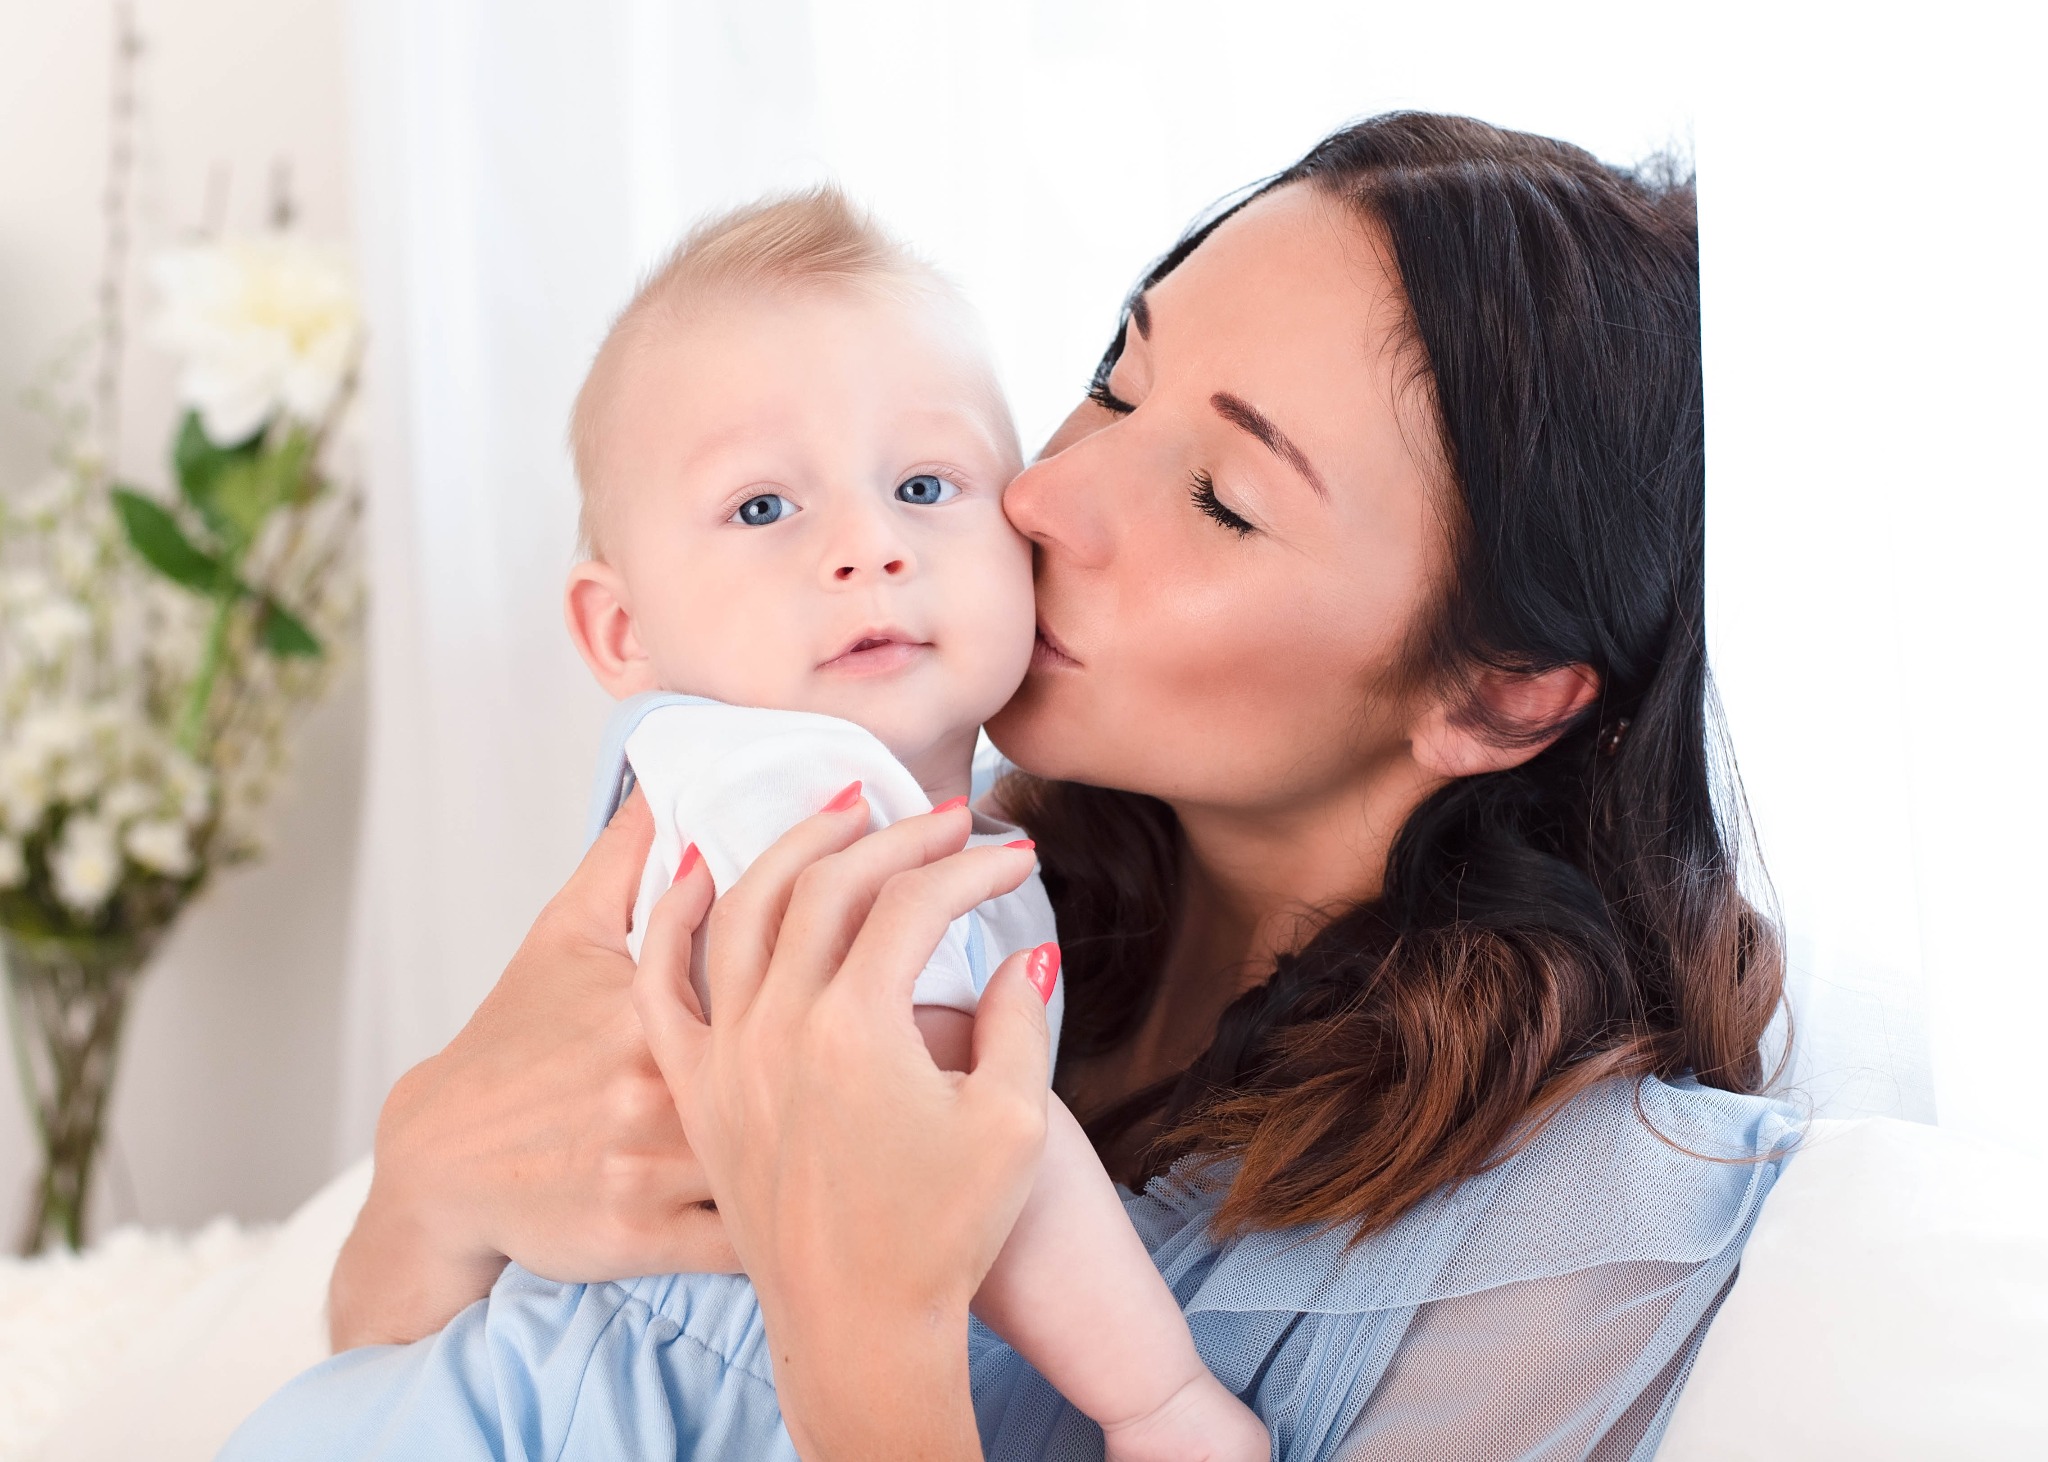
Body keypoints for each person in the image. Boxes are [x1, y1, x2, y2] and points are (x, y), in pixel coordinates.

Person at [316, 112, 1798, 1460]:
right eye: (1116, 380)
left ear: (1494, 692)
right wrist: (430, 1168)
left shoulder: (1584, 1232)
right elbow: (408, 1371)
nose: (1040, 495)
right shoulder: (884, 857)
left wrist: (870, 1341)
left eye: (1223, 498)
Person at [222, 194, 1268, 1459]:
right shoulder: (787, 781)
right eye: (763, 509)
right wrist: (1152, 1393)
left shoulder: (861, 806)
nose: (869, 546)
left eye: (924, 484)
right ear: (623, 632)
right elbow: (946, 1142)